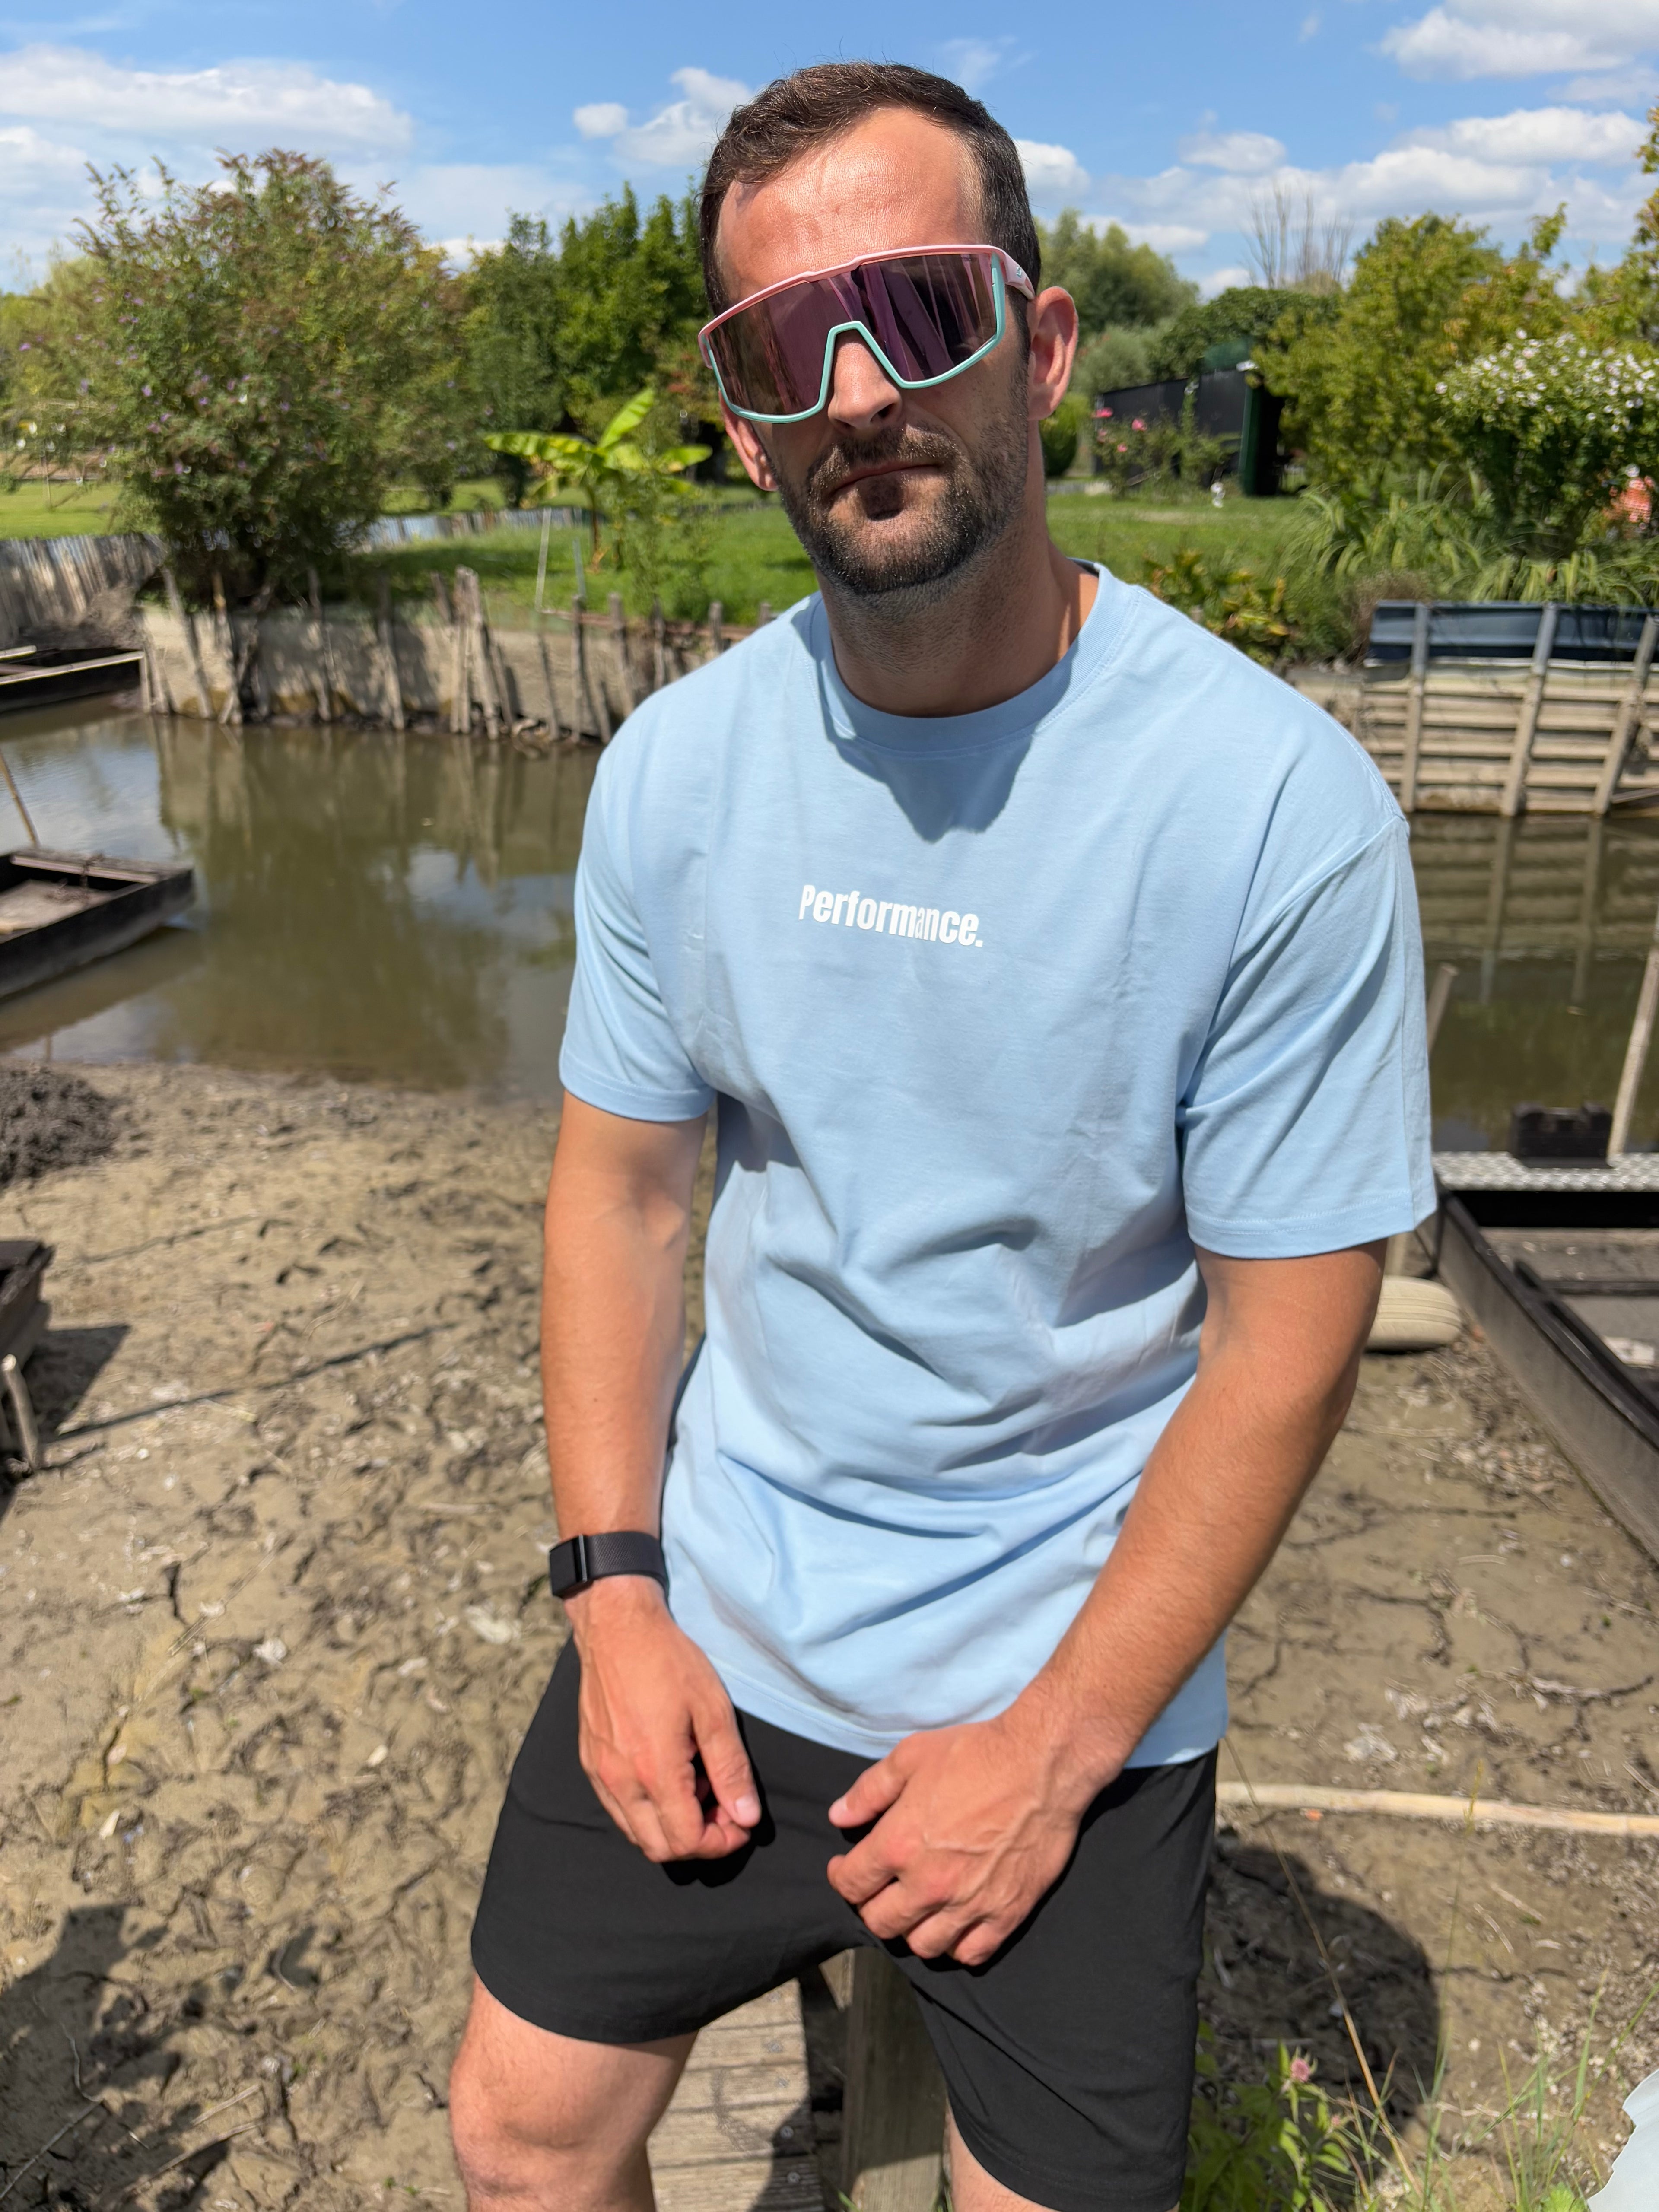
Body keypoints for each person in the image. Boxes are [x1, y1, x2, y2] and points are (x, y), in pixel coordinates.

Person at [449, 59, 1432, 2212]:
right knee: (520, 2129)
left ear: (1045, 346)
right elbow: (620, 1195)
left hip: (1061, 1667)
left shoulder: (1271, 810)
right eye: (792, 344)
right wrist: (616, 1599)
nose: (865, 386)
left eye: (922, 308)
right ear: (743, 417)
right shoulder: (678, 773)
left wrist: (1056, 1747)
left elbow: (1289, 1335)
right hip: (727, 1605)